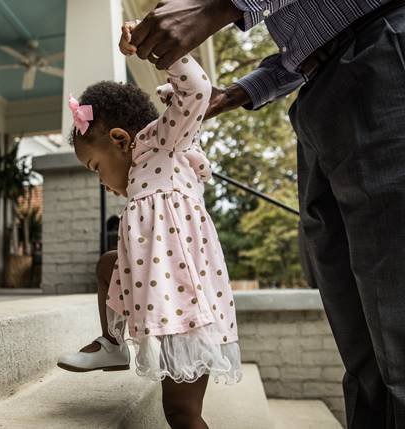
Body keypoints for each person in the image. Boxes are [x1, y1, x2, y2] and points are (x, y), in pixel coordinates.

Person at [126, 1, 405, 428]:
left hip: (382, 53)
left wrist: (217, 7)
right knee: (363, 347)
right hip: (320, 88)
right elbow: (306, 38)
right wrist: (239, 92)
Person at [57, 21, 241, 429]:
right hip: (159, 289)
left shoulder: (164, 142)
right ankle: (114, 344)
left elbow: (195, 90)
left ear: (121, 141)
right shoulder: (140, 174)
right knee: (108, 265)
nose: (101, 180)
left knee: (181, 413)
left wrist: (153, 47)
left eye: (95, 168)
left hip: (189, 308)